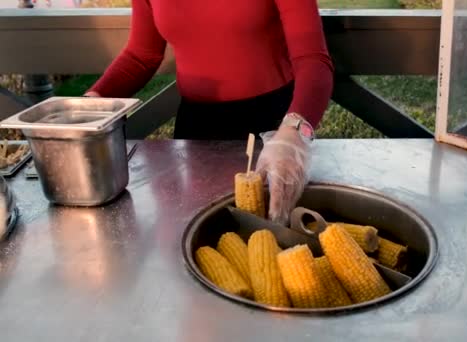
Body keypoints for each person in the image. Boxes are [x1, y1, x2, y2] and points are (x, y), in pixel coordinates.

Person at [84, 0, 334, 224]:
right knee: (202, 232)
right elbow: (141, 56)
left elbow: (313, 59)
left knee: (277, 232)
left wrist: (295, 131)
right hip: (196, 129)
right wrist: (93, 101)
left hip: (275, 129)